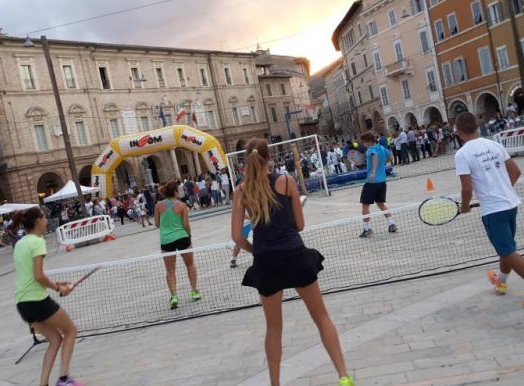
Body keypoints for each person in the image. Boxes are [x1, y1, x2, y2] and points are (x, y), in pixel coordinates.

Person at [231, 138, 353, 386]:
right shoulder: (286, 181)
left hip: (266, 261)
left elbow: (236, 236)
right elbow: (300, 225)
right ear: (269, 157)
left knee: (274, 328)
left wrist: (256, 251)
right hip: (294, 254)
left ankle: (275, 384)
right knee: (321, 317)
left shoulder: (242, 191)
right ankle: (343, 375)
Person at [454, 112, 524, 309]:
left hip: (493, 210)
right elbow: (516, 171)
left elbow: (466, 189)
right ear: (477, 126)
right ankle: (501, 281)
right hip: (510, 205)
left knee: (508, 251)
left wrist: (465, 207)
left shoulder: (462, 154)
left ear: (459, 132)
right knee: (505, 248)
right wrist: (504, 189)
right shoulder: (495, 144)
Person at [12, 208, 83, 386]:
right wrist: (59, 289)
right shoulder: (37, 241)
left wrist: (58, 283)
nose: (47, 221)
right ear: (38, 221)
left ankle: (43, 383)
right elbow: (38, 276)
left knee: (55, 339)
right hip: (37, 300)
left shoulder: (20, 243)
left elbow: (29, 277)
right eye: (44, 218)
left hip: (22, 303)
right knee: (70, 331)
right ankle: (64, 379)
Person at [154, 181, 201, 309]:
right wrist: (189, 236)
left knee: (170, 271)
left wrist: (166, 225)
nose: (179, 191)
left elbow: (157, 224)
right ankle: (194, 291)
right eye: (178, 189)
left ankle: (174, 296)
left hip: (166, 240)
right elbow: (186, 225)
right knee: (190, 265)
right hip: (181, 237)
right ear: (175, 191)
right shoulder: (182, 205)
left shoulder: (158, 205)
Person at [358, 132, 397, 238]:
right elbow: (391, 157)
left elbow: (374, 156)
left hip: (371, 182)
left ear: (369, 141)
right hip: (382, 181)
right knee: (381, 203)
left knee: (365, 205)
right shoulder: (381, 147)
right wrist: (382, 164)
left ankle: (366, 229)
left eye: (364, 142)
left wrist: (374, 171)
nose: (363, 144)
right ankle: (391, 224)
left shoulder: (370, 149)